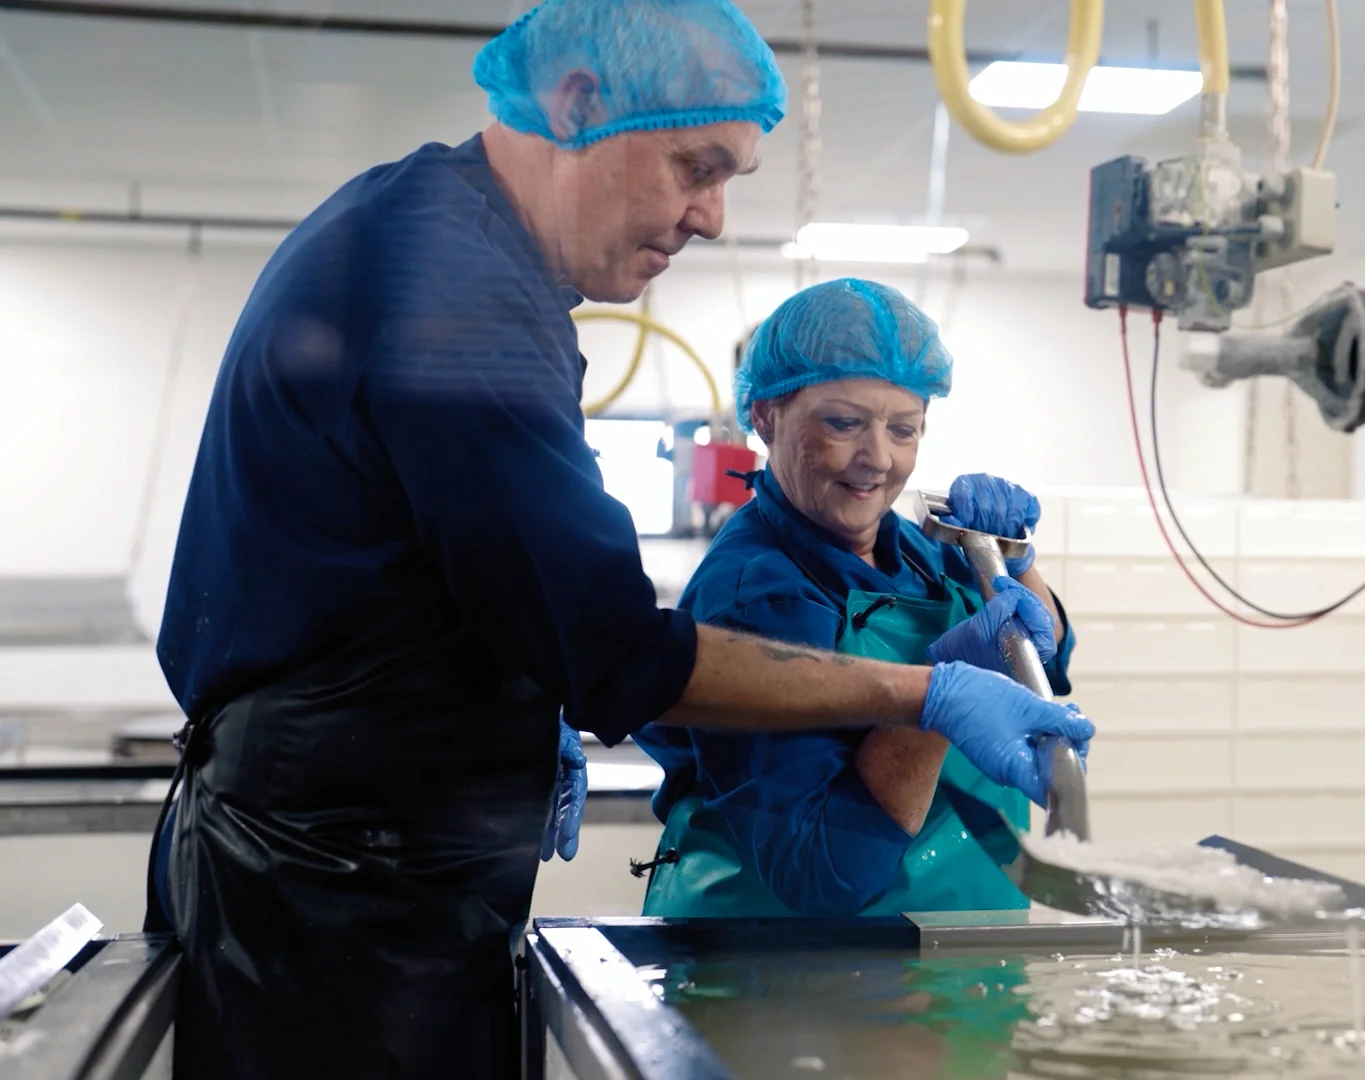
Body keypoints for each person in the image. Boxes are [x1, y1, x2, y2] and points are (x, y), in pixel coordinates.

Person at [144, 3, 1093, 1078]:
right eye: (698, 166)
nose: (714, 218)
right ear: (580, 107)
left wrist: (1022, 584)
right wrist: (922, 696)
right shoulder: (456, 292)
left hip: (369, 868)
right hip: (334, 893)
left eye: (905, 426)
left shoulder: (440, 242)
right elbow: (613, 653)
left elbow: (488, 589)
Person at [638, 278, 1074, 918]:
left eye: (904, 429)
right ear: (764, 416)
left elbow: (1048, 661)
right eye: (843, 424)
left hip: (963, 972)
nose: (877, 459)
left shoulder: (921, 548)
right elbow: (822, 874)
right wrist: (938, 699)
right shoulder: (760, 592)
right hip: (799, 984)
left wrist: (1018, 563)